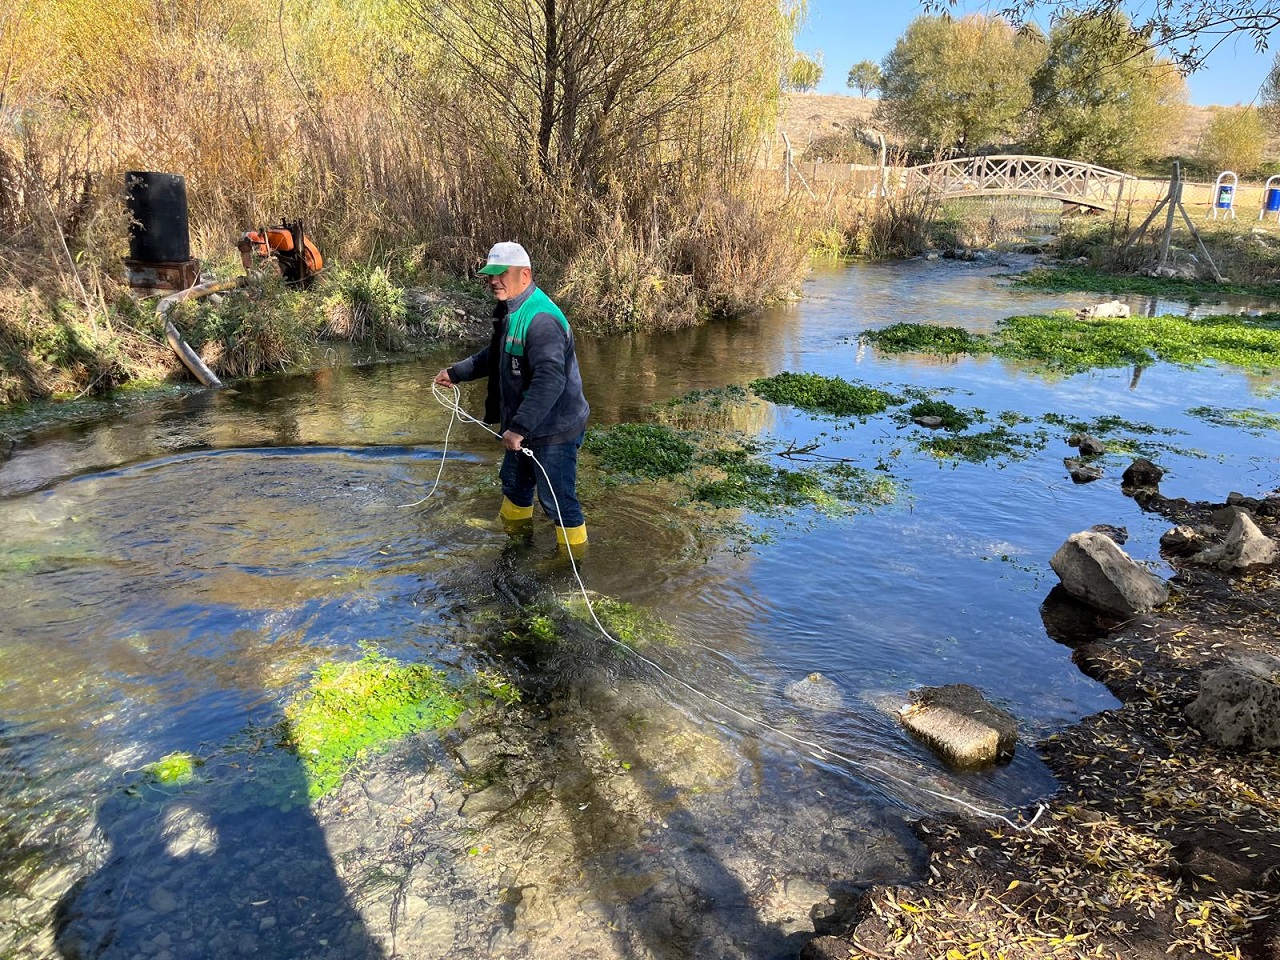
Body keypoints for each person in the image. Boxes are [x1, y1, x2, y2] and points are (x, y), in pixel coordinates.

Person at [434, 242, 590, 556]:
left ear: (525, 274)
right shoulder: (512, 310)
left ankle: (573, 561)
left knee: (558, 500)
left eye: (501, 273)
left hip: (553, 430)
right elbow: (497, 355)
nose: (493, 281)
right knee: (515, 484)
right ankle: (513, 534)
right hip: (527, 426)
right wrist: (457, 372)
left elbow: (551, 379)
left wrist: (517, 428)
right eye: (490, 275)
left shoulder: (541, 319)